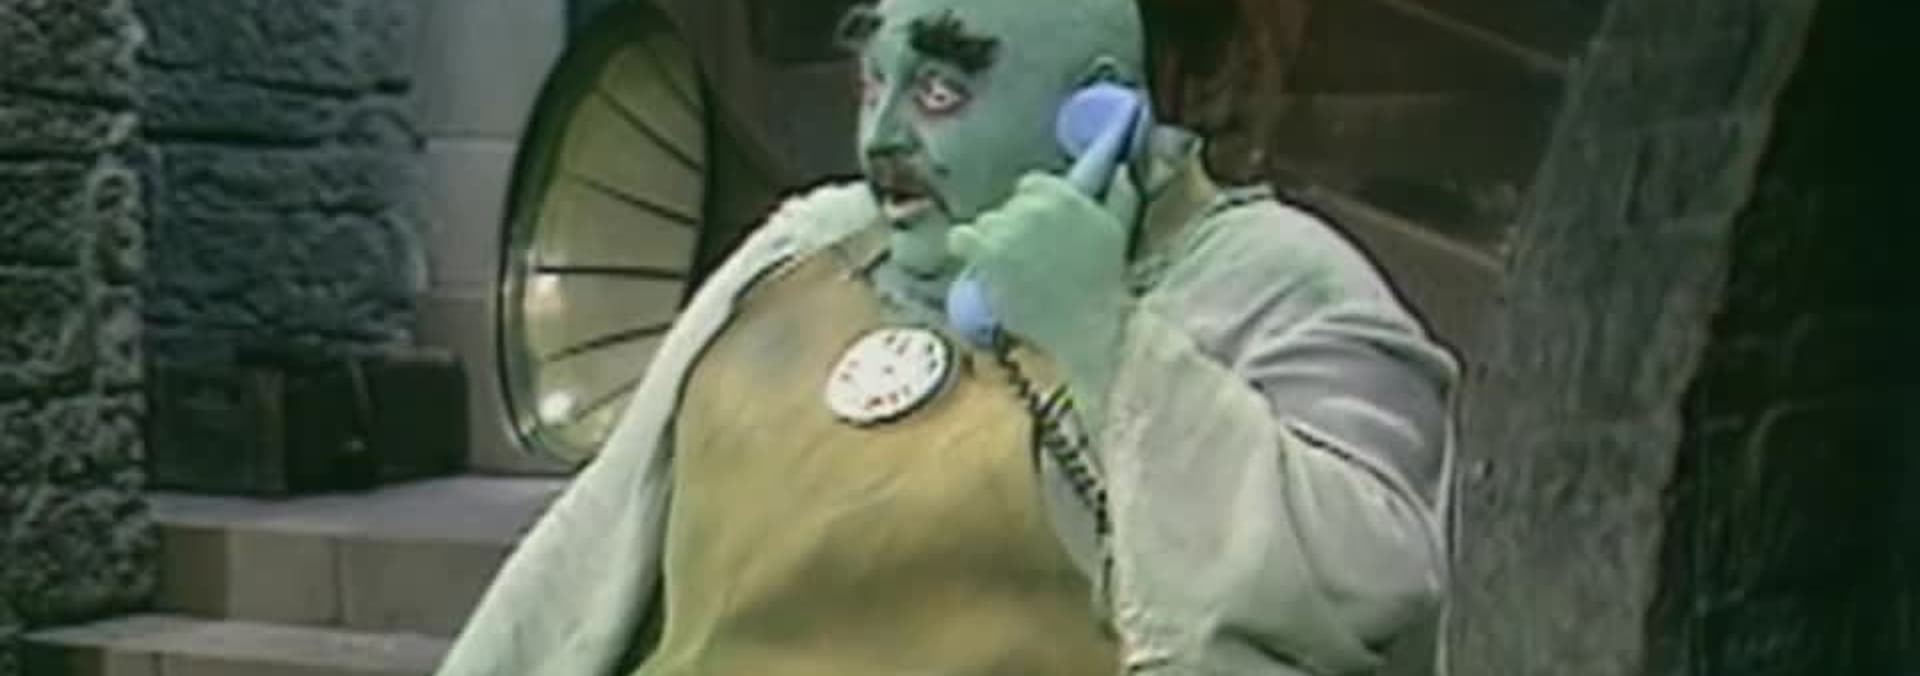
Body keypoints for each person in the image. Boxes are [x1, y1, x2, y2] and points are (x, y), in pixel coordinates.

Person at [436, 0, 1458, 673]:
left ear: (1094, 105)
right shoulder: (801, 251)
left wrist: (1102, 338)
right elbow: (579, 561)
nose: (881, 136)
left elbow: (1363, 597)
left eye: (938, 92)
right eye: (870, 83)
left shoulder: (1264, 284)